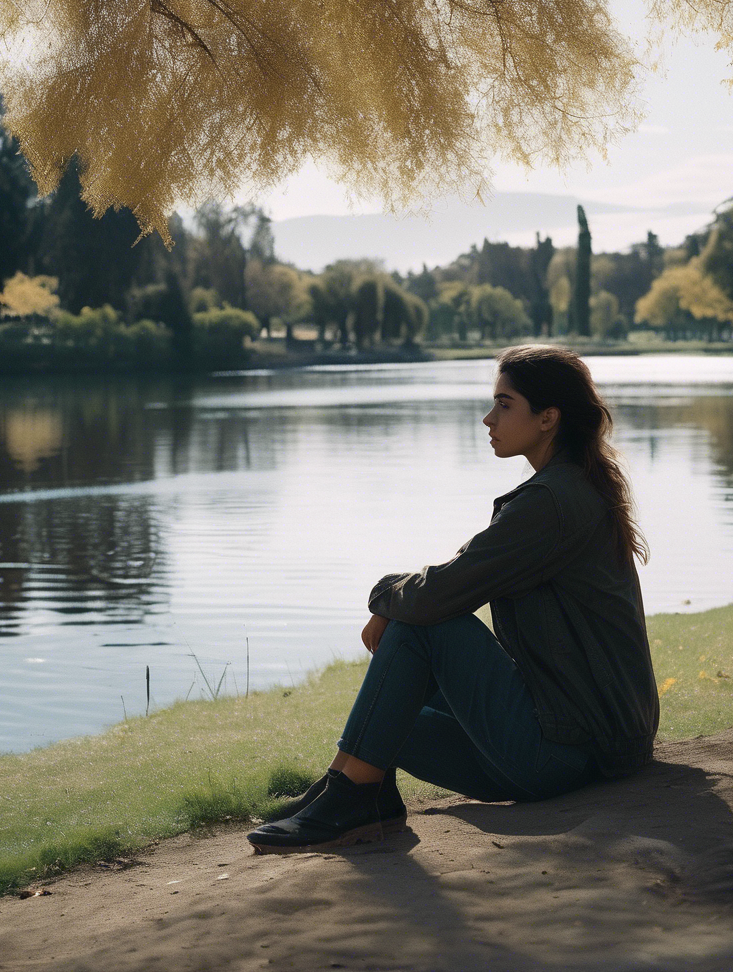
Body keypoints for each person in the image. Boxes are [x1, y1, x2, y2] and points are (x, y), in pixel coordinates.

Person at [247, 344, 659, 854]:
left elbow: (439, 594)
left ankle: (350, 794)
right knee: (389, 718)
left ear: (548, 417)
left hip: (570, 752)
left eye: (504, 405)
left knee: (429, 625)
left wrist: (384, 596)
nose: (488, 419)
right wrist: (401, 601)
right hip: (588, 745)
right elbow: (451, 581)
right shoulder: (568, 487)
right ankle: (356, 788)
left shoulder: (551, 503)